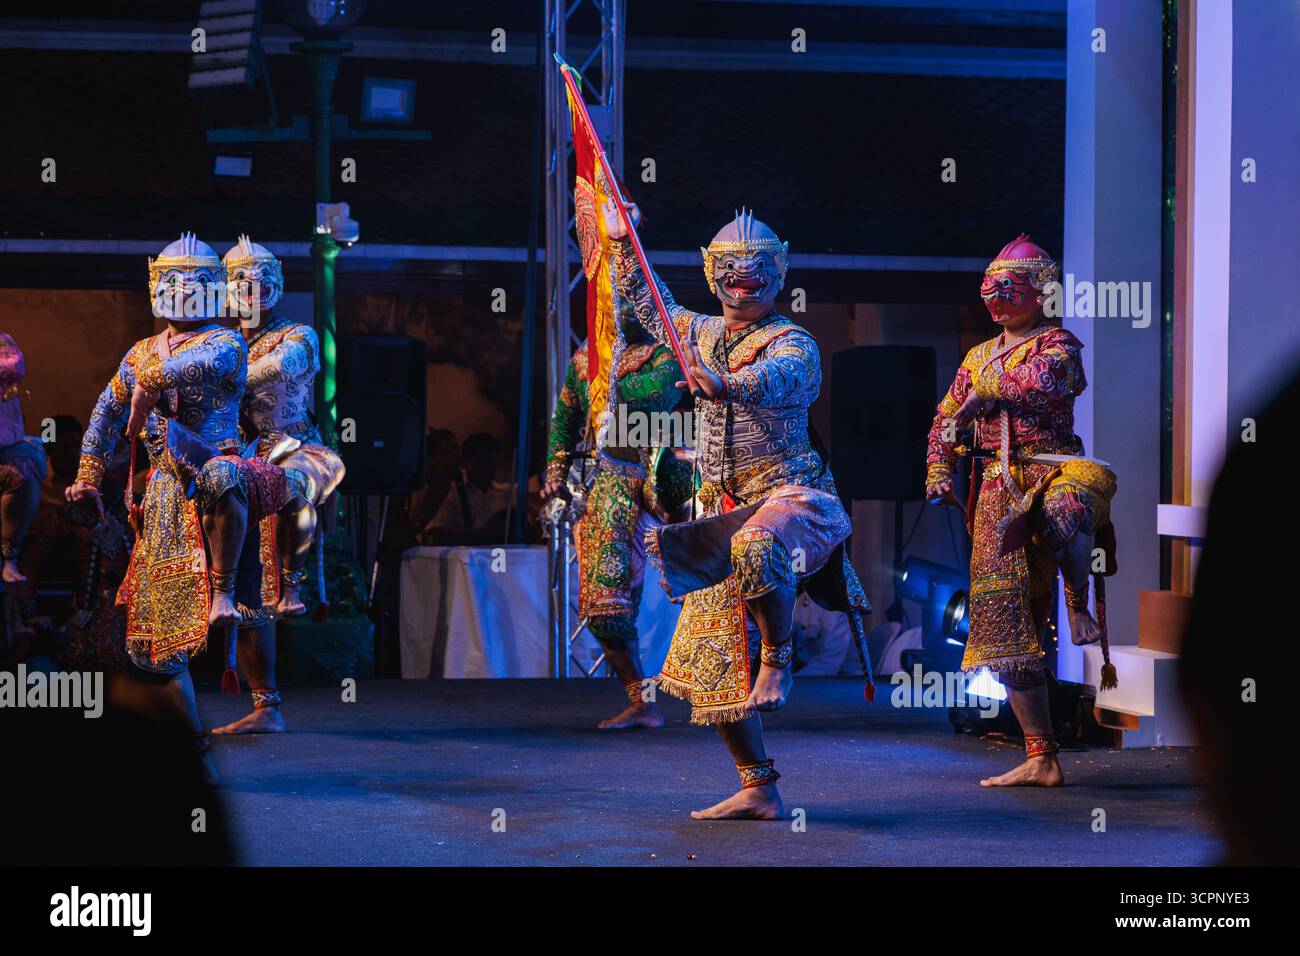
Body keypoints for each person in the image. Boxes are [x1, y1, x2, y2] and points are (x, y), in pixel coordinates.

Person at [606, 203, 871, 820]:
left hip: (794, 499)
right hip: (721, 508)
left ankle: (779, 659)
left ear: (779, 274)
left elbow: (790, 380)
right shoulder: (698, 332)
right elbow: (651, 306)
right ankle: (759, 787)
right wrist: (624, 241)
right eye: (731, 270)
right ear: (711, 274)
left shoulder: (792, 340)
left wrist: (728, 384)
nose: (743, 279)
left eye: (756, 271)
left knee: (756, 548)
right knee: (713, 661)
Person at [64, 232, 273, 781]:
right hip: (161, 496)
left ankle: (225, 592)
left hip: (211, 471)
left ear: (210, 288)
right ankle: (186, 747)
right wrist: (87, 475)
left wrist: (141, 392)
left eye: (189, 280)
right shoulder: (140, 349)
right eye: (169, 279)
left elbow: (178, 372)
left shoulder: (226, 343)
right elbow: (105, 411)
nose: (178, 289)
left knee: (225, 477)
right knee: (152, 642)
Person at [925, 234, 1117, 788]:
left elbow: (1044, 386)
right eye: (991, 286)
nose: (997, 295)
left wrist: (985, 393)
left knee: (1061, 513)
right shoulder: (976, 355)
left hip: (1054, 467)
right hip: (996, 488)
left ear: (1041, 293)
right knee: (1003, 623)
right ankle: (1041, 754)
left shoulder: (1059, 345)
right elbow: (947, 419)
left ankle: (1078, 603)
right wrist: (939, 468)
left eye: (1011, 286)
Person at [213, 235, 345, 735]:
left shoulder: (299, 335)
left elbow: (276, 370)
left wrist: (210, 371)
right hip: (243, 457)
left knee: (293, 490)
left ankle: (295, 586)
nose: (251, 289)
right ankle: (265, 704)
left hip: (294, 448)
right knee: (248, 582)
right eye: (240, 282)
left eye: (261, 280)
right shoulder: (224, 340)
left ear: (277, 286)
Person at [543, 302, 690, 730]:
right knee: (603, 605)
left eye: (631, 296)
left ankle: (756, 680)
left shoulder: (669, 350)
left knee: (717, 584)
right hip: (609, 481)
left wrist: (608, 381)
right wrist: (555, 470)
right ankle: (642, 700)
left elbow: (656, 395)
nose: (623, 306)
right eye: (614, 296)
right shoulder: (586, 359)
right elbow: (566, 417)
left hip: (669, 476)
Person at [0, 333, 46, 584]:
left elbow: (13, 365)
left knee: (23, 472)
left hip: (6, 445)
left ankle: (9, 557)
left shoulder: (3, 344)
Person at [424, 432, 510, 544]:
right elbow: (435, 534)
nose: (487, 468)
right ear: (465, 462)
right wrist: (486, 533)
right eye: (481, 462)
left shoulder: (506, 492)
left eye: (492, 462)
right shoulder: (451, 492)